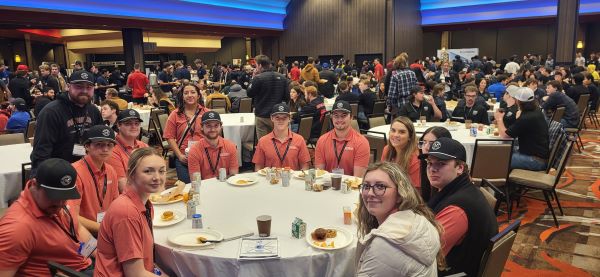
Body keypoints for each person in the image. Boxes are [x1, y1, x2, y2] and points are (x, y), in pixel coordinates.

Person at [0, 158, 94, 276]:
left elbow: (77, 228)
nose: (60, 203)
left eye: (64, 196)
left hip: (85, 264)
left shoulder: (57, 203)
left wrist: (102, 255)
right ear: (34, 184)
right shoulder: (17, 228)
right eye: (53, 196)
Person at [424, 137, 498, 276]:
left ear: (460, 168)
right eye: (429, 163)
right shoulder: (461, 189)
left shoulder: (457, 210)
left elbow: (424, 255)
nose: (432, 169)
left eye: (441, 164)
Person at [356, 162, 443, 277]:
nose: (370, 193)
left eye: (380, 186)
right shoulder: (418, 219)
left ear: (400, 194)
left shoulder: (383, 247)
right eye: (366, 186)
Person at [95, 148, 168, 276]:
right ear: (131, 174)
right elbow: (135, 274)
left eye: (161, 171)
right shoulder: (127, 212)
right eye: (148, 171)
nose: (157, 177)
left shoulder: (145, 204)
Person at [30, 70, 103, 175]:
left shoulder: (93, 111)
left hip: (88, 170)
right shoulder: (51, 112)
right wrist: (40, 178)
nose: (85, 91)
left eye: (89, 87)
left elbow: (100, 142)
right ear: (68, 86)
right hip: (59, 172)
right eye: (79, 86)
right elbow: (41, 151)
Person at [69, 125, 119, 236]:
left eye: (109, 145)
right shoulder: (75, 173)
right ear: (87, 146)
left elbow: (116, 204)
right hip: (83, 232)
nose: (105, 149)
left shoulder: (111, 170)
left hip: (107, 228)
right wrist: (104, 228)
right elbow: (71, 215)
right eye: (99, 144)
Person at [495, 87, 549, 171]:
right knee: (502, 151)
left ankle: (499, 183)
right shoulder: (536, 111)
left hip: (535, 160)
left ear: (518, 101)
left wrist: (499, 119)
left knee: (496, 158)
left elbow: (505, 136)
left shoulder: (526, 117)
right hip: (538, 155)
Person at [164, 84, 209, 183]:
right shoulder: (175, 115)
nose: (189, 95)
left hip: (204, 157)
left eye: (193, 92)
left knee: (207, 186)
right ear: (182, 96)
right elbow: (169, 136)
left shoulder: (206, 113)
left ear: (198, 95)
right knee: (188, 188)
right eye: (186, 93)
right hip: (184, 158)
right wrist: (179, 155)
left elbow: (214, 134)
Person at [314, 100, 370, 177]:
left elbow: (358, 179)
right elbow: (319, 175)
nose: (339, 119)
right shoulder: (322, 140)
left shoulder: (361, 142)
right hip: (327, 186)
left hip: (351, 187)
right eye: (336, 116)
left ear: (351, 117)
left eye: (343, 116)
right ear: (331, 118)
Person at [253, 103, 311, 171]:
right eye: (277, 117)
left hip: (292, 180)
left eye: (284, 118)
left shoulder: (299, 139)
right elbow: (258, 167)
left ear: (289, 119)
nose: (281, 120)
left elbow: (305, 166)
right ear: (272, 118)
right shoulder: (263, 141)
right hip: (270, 180)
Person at [247, 54, 290, 139]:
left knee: (264, 143)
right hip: (277, 115)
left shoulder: (258, 78)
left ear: (259, 65)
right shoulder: (282, 77)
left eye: (255, 65)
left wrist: (253, 78)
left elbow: (249, 93)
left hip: (262, 116)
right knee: (278, 141)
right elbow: (287, 97)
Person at [187, 111, 239, 180]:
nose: (213, 129)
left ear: (221, 127)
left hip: (225, 185)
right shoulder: (194, 150)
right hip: (204, 188)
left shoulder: (231, 146)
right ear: (202, 127)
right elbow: (195, 181)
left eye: (216, 125)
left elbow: (233, 176)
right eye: (208, 126)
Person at [107, 109, 149, 191]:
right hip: (127, 198)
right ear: (118, 125)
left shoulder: (143, 145)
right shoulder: (111, 150)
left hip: (145, 192)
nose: (133, 127)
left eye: (136, 123)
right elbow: (122, 186)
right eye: (128, 124)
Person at [381, 117, 421, 189]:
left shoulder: (415, 158)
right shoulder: (387, 150)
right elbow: (382, 176)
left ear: (410, 137)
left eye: (402, 132)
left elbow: (416, 192)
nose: (396, 135)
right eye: (393, 130)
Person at [387, 53, 418, 119]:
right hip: (413, 104)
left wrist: (389, 105)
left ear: (395, 64)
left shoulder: (395, 76)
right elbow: (417, 88)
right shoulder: (412, 73)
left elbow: (391, 95)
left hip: (400, 105)